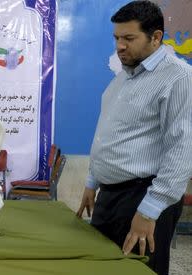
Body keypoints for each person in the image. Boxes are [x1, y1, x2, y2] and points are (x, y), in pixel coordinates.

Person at [76, 1, 192, 274]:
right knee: (101, 267)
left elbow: (181, 149)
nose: (120, 46)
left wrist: (150, 210)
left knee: (138, 270)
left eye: (129, 38)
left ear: (156, 37)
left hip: (144, 196)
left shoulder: (179, 78)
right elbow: (109, 131)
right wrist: (93, 181)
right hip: (111, 194)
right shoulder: (124, 77)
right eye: (117, 38)